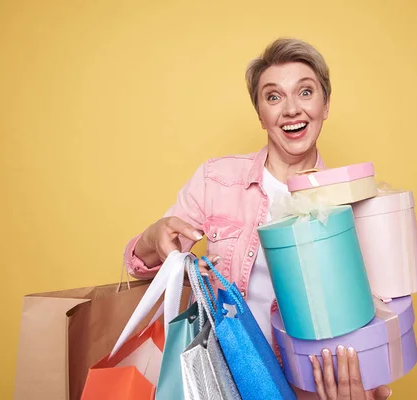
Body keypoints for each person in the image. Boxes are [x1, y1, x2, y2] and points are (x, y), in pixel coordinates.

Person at [123, 37, 392, 400]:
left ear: (325, 105)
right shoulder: (215, 180)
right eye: (274, 96)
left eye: (306, 92)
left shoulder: (351, 201)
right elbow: (140, 264)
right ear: (260, 112)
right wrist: (154, 237)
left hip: (311, 386)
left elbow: (374, 314)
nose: (291, 109)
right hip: (225, 378)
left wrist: (368, 392)